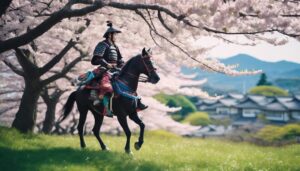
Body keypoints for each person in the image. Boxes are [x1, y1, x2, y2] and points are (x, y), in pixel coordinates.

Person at [91, 21, 147, 117]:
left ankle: (137, 103)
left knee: (129, 84)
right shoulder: (102, 44)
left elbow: (120, 59)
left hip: (115, 69)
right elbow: (96, 58)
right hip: (105, 69)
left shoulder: (115, 46)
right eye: (115, 34)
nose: (116, 36)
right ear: (109, 35)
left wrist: (125, 66)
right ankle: (102, 104)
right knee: (106, 86)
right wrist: (107, 64)